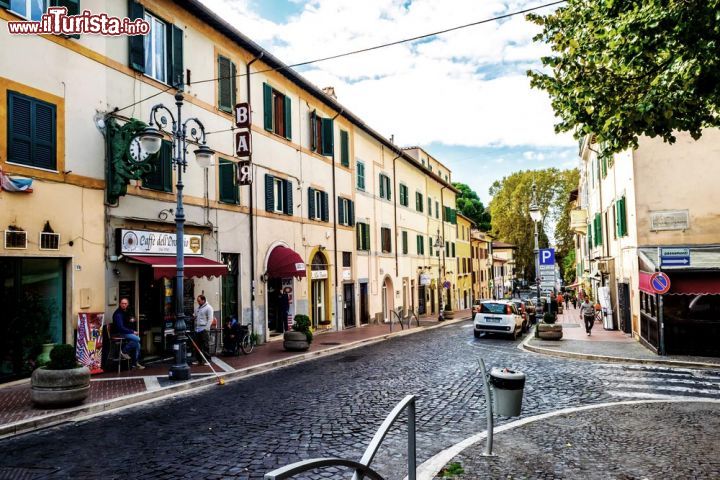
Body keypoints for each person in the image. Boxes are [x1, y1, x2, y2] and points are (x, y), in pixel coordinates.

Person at [111, 298, 144, 369]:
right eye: (122, 303)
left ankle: (135, 363)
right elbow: (120, 327)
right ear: (120, 304)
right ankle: (123, 351)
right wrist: (132, 332)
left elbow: (130, 322)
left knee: (137, 344)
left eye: (125, 303)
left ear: (127, 304)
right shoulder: (118, 314)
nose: (124, 305)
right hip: (119, 333)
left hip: (125, 332)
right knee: (137, 338)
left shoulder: (126, 311)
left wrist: (131, 327)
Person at [193, 294, 214, 365]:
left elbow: (210, 319)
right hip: (197, 329)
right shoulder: (197, 308)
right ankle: (198, 360)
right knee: (197, 346)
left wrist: (206, 328)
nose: (198, 302)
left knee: (205, 345)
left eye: (199, 301)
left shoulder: (209, 308)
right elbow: (195, 316)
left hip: (203, 329)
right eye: (197, 301)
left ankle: (208, 360)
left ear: (203, 300)